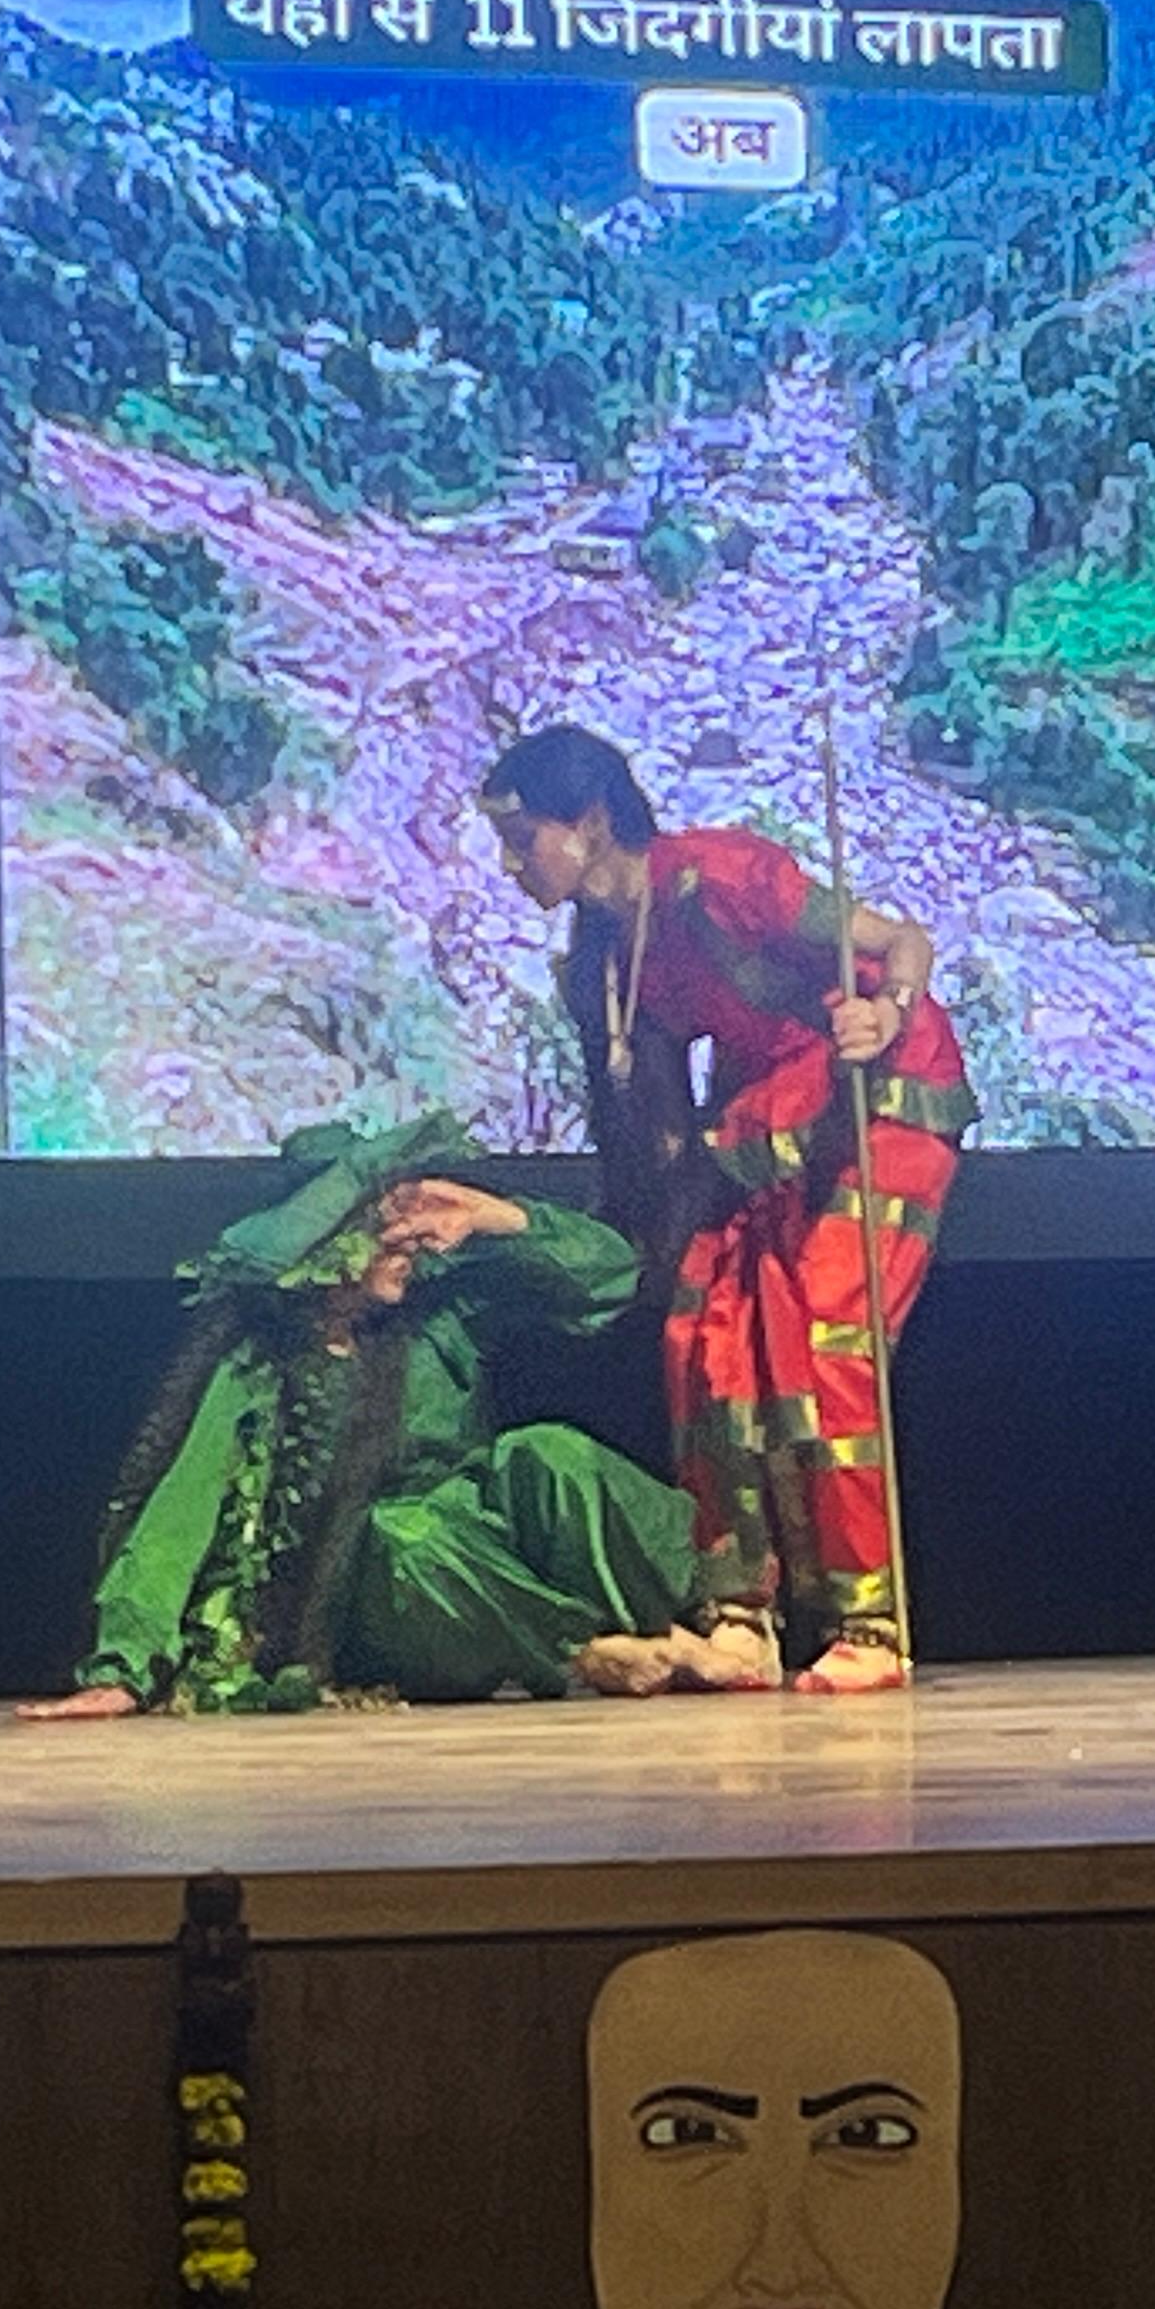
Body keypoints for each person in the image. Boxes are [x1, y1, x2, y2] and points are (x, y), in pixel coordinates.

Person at [476, 724, 972, 1696]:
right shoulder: (605, 961)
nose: (510, 865)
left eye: (523, 839)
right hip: (769, 1115)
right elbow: (658, 1134)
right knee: (706, 1335)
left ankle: (868, 1623)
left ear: (590, 822)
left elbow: (900, 941)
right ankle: (740, 1611)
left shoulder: (719, 878)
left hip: (877, 1091)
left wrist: (890, 1011)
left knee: (829, 1333)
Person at [21, 1113, 718, 1719]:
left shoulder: (436, 1319)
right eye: (379, 1228)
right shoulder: (258, 1366)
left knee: (549, 1454)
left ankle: (715, 1615)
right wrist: (121, 1670)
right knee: (404, 1533)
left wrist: (493, 1215)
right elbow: (180, 1514)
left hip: (473, 1545)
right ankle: (585, 1652)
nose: (404, 1241)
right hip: (378, 1599)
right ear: (327, 1247)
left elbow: (610, 1278)